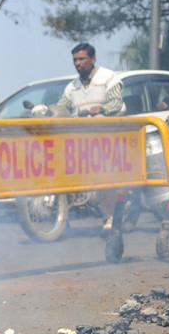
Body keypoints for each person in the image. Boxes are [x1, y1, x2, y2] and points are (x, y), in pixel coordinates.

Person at [49, 43, 124, 228]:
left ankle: (108, 217)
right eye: (75, 60)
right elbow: (62, 107)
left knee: (106, 175)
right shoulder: (72, 87)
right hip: (80, 140)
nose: (77, 63)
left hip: (106, 137)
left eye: (81, 59)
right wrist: (47, 112)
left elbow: (117, 102)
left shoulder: (108, 77)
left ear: (93, 59)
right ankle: (64, 215)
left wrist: (103, 108)